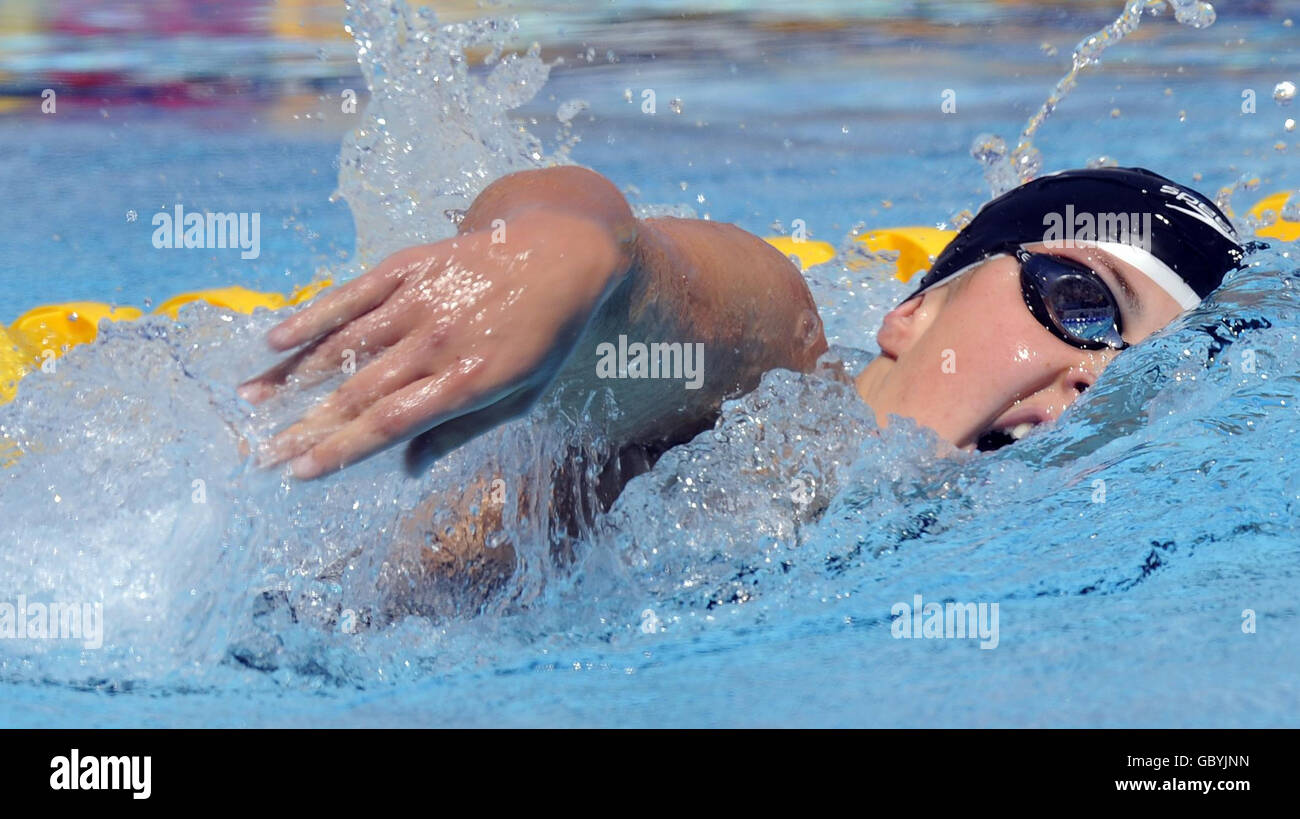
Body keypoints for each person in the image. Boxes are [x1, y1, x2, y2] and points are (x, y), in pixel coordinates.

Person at [236, 164, 1246, 613]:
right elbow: (669, 295)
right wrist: (561, 253)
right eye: (1082, 302)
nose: (1092, 379)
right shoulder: (777, 391)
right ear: (914, 311)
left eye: (1142, 375)